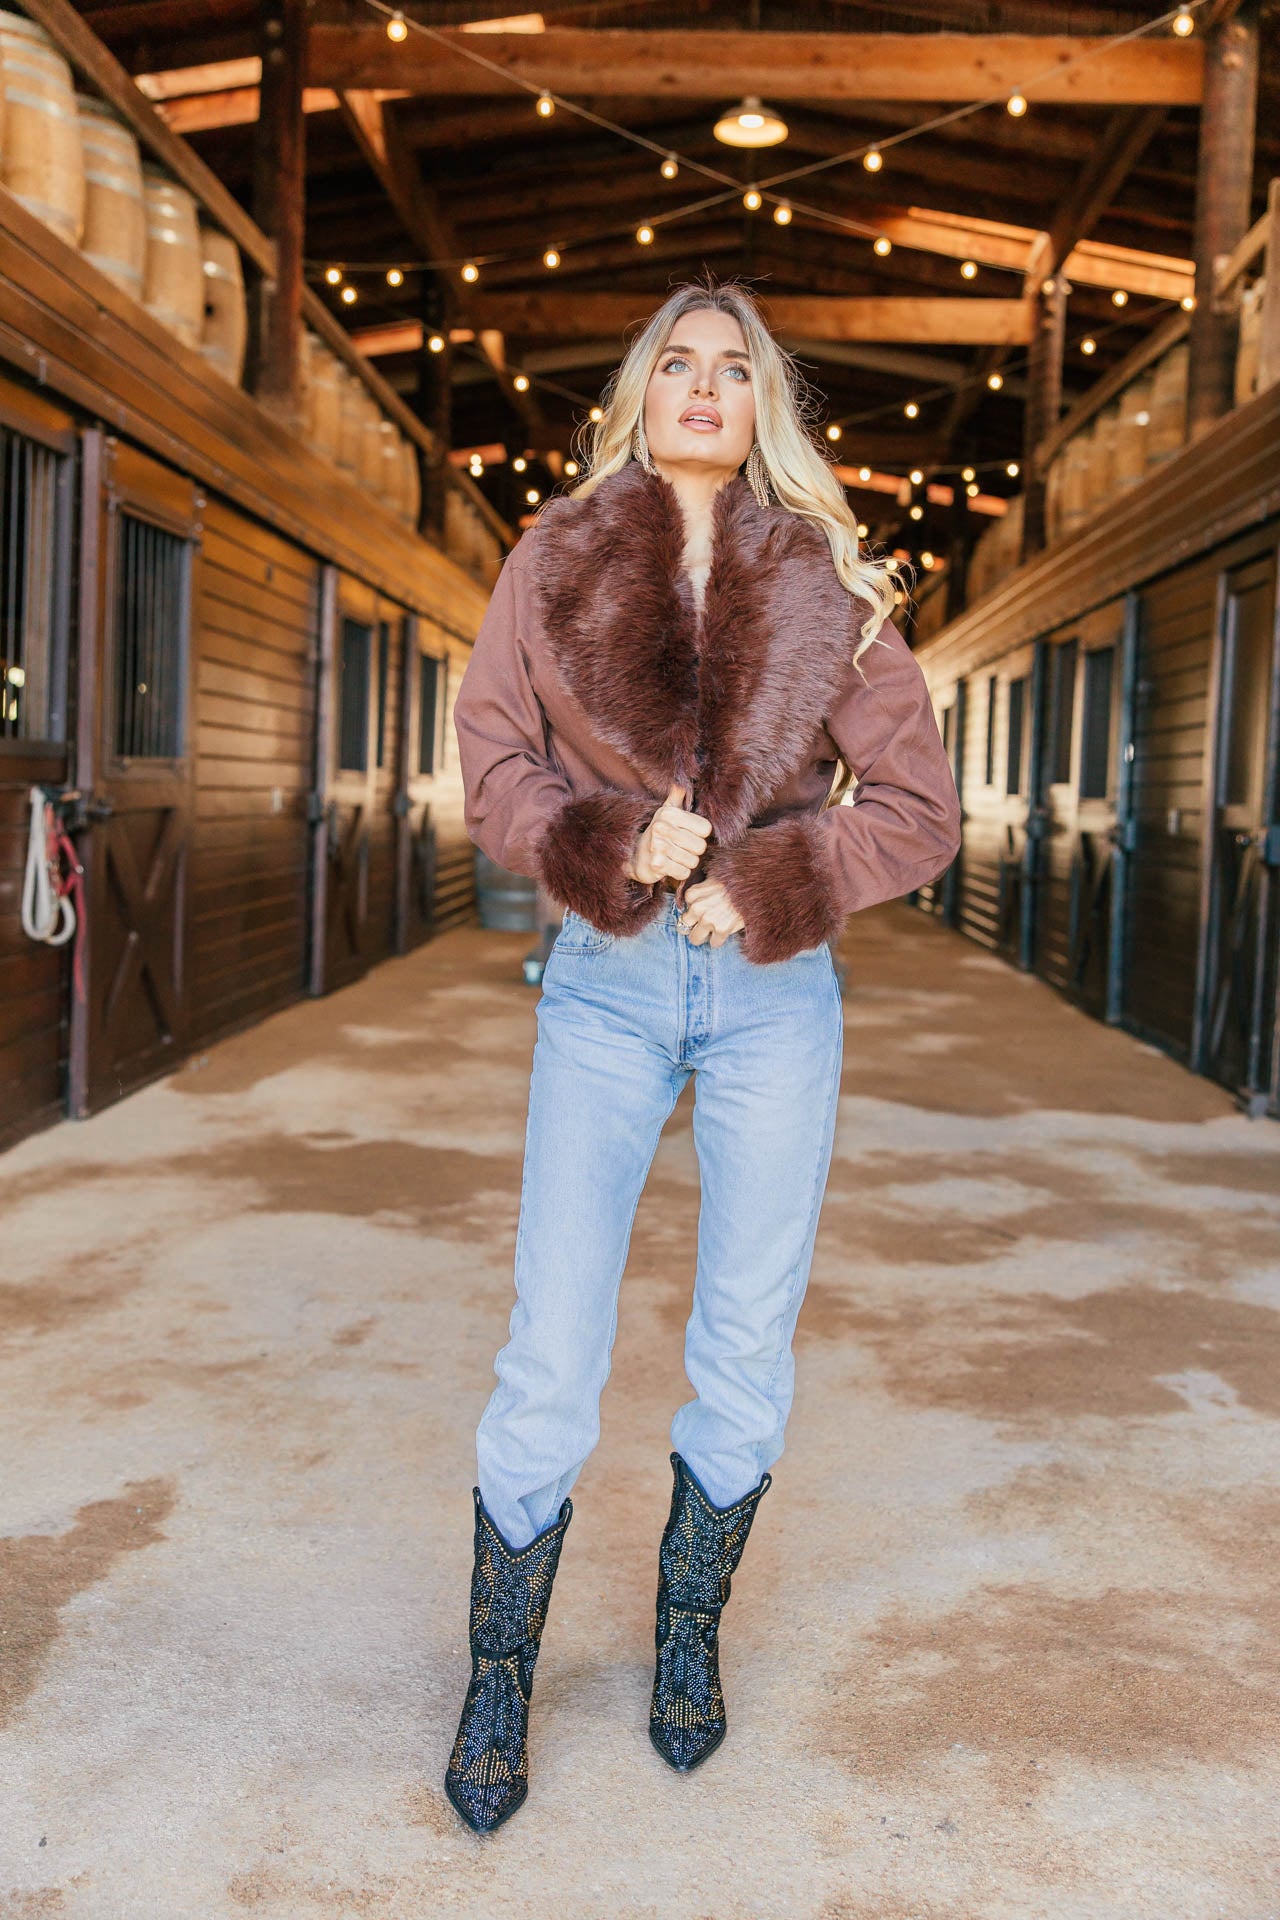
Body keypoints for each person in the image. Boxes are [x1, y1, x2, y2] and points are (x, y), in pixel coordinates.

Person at [444, 276, 962, 1833]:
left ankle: (685, 1636)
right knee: (554, 1339)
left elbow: (919, 812)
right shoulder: (549, 563)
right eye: (677, 364)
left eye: (734, 372)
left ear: (763, 409)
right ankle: (498, 1671)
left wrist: (777, 875)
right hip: (602, 984)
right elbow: (491, 762)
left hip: (771, 1002)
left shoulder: (832, 585)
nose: (703, 388)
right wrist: (606, 840)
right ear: (639, 390)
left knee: (744, 1334)